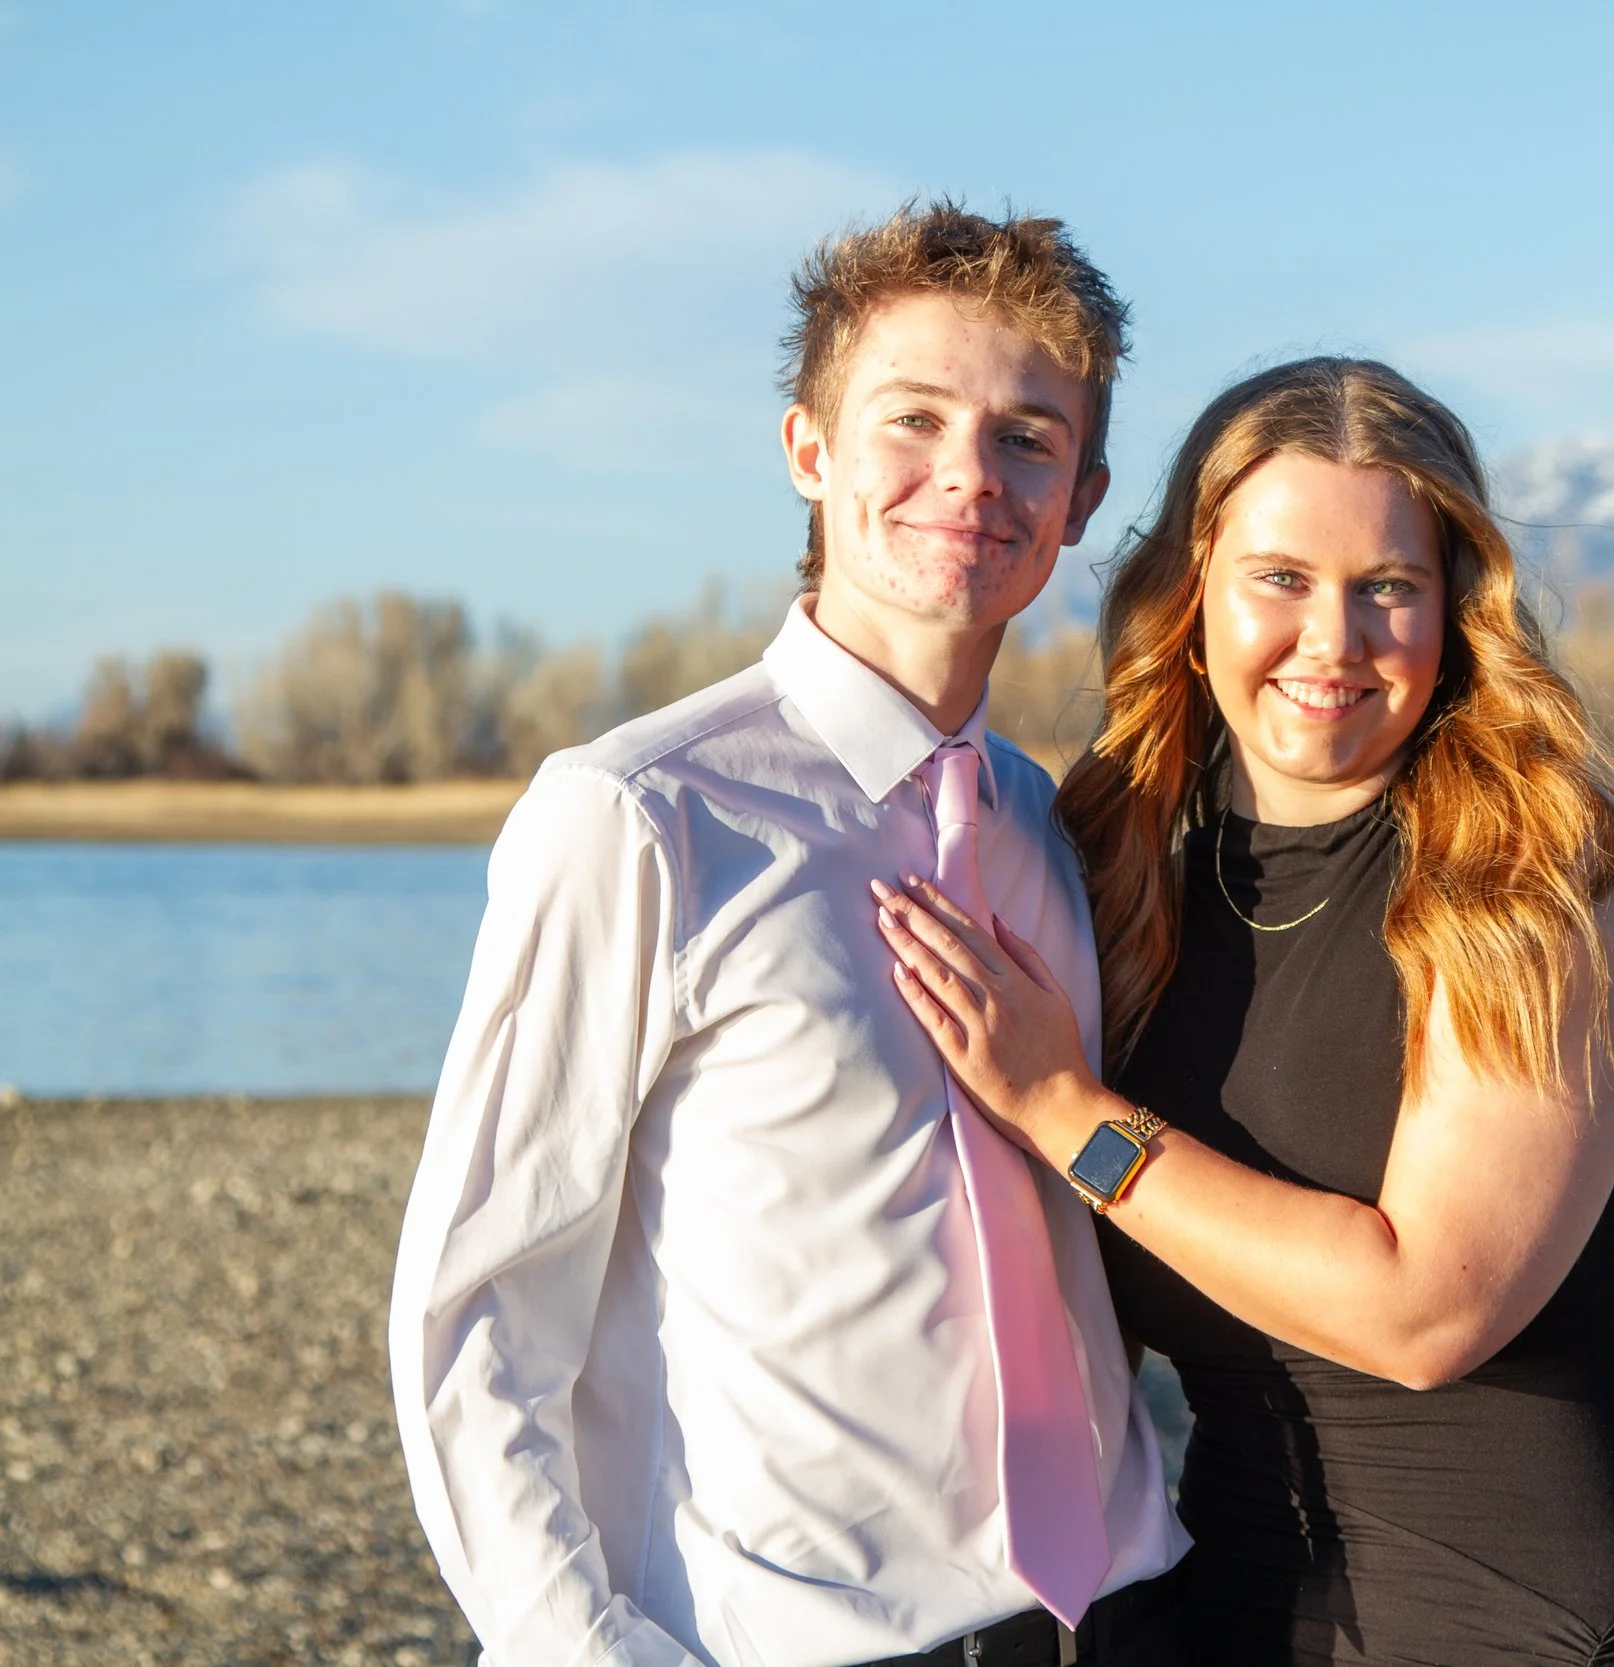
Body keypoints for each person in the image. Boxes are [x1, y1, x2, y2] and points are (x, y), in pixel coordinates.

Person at [387, 203, 1186, 1667]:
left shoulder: (1048, 832)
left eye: (1026, 436)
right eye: (915, 420)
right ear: (810, 452)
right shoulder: (639, 817)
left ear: (1080, 497)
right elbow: (478, 1314)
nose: (970, 476)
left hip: (1109, 1616)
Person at [871, 357, 1614, 1666]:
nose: (1332, 642)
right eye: (1280, 579)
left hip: (1541, 1629)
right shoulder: (1117, 851)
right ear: (1192, 593)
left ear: (1454, 604)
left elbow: (1424, 1315)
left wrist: (1072, 1112)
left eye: (1387, 587)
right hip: (1221, 1609)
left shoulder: (1542, 866)